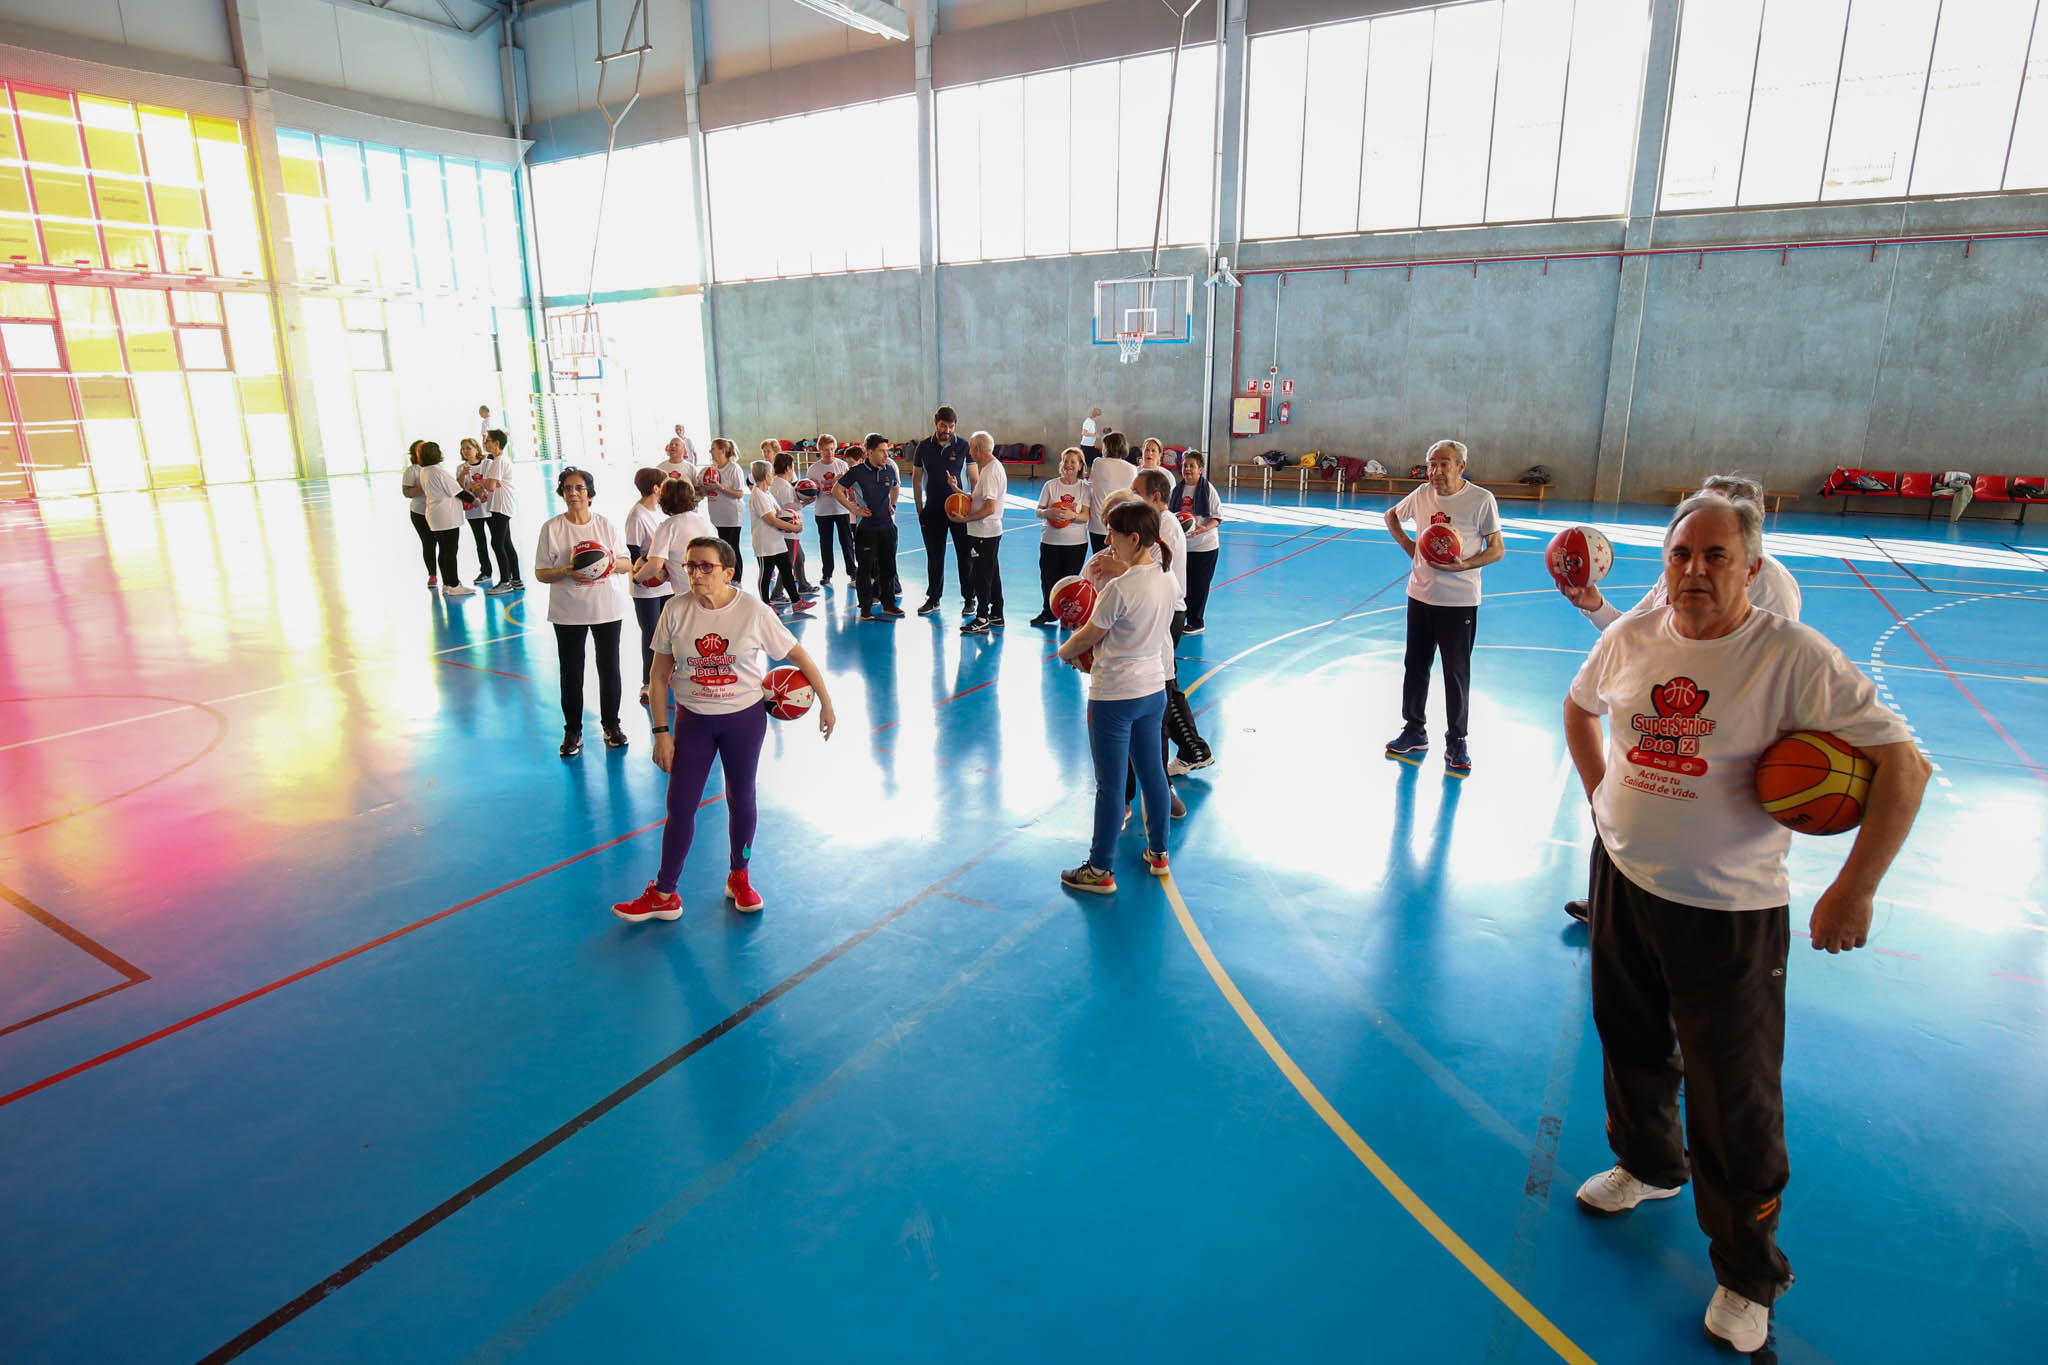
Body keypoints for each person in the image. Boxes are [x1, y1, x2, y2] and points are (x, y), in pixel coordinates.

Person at [1563, 491, 1928, 1355]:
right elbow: (1580, 707)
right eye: (1682, 553)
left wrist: (1855, 887)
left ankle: (1747, 1272)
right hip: (1623, 879)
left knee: (1736, 1097)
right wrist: (1602, 799)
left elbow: (1903, 764)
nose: (1695, 570)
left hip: (1728, 912)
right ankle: (1649, 1167)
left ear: (1752, 567)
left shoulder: (1791, 656)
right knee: (1630, 1040)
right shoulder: (1634, 635)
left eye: (1716, 556)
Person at [1557, 474, 1803, 923]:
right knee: (1627, 813)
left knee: (1695, 851)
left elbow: (1769, 679)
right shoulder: (1678, 574)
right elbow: (1628, 633)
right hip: (1656, 727)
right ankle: (1613, 905)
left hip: (1711, 739)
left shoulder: (1775, 588)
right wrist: (1593, 603)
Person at [610, 535, 837, 922]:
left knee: (742, 798)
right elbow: (659, 675)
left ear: (728, 572)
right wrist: (660, 733)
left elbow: (798, 654)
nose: (695, 573)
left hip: (743, 720)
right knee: (680, 806)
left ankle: (739, 876)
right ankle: (665, 893)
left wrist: (826, 701)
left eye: (705, 566)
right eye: (690, 565)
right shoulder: (675, 610)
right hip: (693, 721)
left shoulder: (752, 610)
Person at [1056, 498, 1178, 894]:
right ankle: (1159, 852)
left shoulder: (1119, 589)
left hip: (1113, 697)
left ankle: (1099, 870)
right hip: (1152, 690)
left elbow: (1088, 636)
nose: (1107, 539)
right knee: (1153, 774)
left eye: (1113, 533)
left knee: (1110, 786)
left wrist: (1064, 652)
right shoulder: (1165, 578)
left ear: (1134, 537)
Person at [1382, 439, 1504, 775]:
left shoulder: (1481, 500)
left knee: (1456, 673)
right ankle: (1414, 729)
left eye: (1444, 464)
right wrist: (1410, 546)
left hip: (1459, 601)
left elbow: (1497, 549)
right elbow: (1391, 516)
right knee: (1416, 665)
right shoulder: (1422, 494)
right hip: (1420, 595)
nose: (1435, 471)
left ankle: (1457, 740)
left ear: (1461, 466)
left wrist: (1465, 565)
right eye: (1431, 464)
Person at [534, 466, 632, 756]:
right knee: (571, 673)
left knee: (610, 669)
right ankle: (573, 731)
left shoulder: (604, 525)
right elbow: (541, 573)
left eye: (579, 488)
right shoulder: (552, 528)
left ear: (590, 493)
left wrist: (605, 566)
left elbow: (627, 563)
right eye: (568, 488)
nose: (574, 493)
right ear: (562, 493)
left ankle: (611, 725)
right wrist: (565, 570)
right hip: (568, 611)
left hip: (606, 608)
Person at [1135, 468, 1210, 778]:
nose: (1131, 496)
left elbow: (1146, 570)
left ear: (1155, 497)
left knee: (1163, 686)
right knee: (1167, 684)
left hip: (1166, 612)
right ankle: (1194, 749)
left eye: (1136, 492)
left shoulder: (1162, 525)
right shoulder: (1159, 522)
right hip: (1165, 610)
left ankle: (1182, 755)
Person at [911, 405, 973, 617]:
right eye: (943, 426)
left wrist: (972, 507)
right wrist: (920, 508)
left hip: (960, 511)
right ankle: (934, 598)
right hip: (934, 510)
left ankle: (969, 599)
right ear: (936, 423)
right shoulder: (923, 447)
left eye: (951, 426)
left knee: (965, 556)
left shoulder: (964, 446)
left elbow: (974, 478)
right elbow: (917, 479)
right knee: (934, 556)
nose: (947, 430)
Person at [838, 433, 905, 622]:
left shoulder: (889, 469)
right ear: (869, 452)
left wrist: (893, 504)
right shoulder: (858, 471)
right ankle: (865, 607)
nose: (886, 455)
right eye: (882, 451)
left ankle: (888, 604)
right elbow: (837, 490)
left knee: (889, 567)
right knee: (865, 570)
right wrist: (854, 509)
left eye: (887, 451)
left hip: (887, 527)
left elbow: (895, 487)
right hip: (867, 529)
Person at [625, 467, 673, 704]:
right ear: (656, 489)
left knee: (670, 632)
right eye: (664, 485)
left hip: (667, 584)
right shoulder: (637, 515)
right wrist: (651, 567)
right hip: (646, 586)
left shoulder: (661, 513)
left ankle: (670, 673)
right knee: (652, 635)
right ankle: (648, 682)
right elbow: (632, 553)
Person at [951, 431, 1007, 634]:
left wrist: (965, 519)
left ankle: (982, 617)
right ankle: (997, 614)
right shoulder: (990, 468)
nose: (969, 451)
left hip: (984, 533)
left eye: (972, 447)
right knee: (991, 572)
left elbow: (989, 508)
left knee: (981, 576)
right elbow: (979, 500)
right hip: (986, 532)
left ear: (978, 450)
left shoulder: (990, 471)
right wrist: (957, 490)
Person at [1030, 446, 1091, 627]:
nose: (1069, 465)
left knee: (1069, 581)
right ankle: (1048, 612)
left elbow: (1086, 515)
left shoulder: (1084, 488)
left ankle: (1067, 617)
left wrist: (1072, 516)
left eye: (1073, 462)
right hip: (1050, 541)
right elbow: (1038, 511)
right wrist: (1048, 512)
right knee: (1048, 578)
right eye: (1066, 461)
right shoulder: (1051, 485)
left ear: (1080, 466)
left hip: (1076, 543)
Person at [749, 458, 810, 613]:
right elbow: (770, 519)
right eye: (770, 473)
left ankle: (796, 602)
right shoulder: (758, 495)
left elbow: (778, 514)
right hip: (765, 543)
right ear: (765, 476)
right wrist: (792, 527)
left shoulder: (767, 493)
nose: (772, 476)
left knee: (786, 572)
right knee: (766, 574)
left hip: (777, 540)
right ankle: (765, 605)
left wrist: (791, 518)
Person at [1170, 451, 1221, 634]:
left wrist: (1203, 528)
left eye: (1192, 466)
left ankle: (1196, 622)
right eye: (1185, 465)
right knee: (1182, 584)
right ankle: (1180, 618)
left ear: (1200, 469)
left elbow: (1217, 517)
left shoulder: (1208, 490)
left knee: (1199, 585)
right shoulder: (1176, 490)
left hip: (1205, 546)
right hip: (1183, 547)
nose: (1187, 469)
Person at [416, 442, 474, 597]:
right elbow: (457, 490)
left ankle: (447, 583)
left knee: (443, 550)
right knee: (451, 551)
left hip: (435, 516)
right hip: (446, 517)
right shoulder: (438, 472)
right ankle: (454, 584)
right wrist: (473, 499)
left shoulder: (424, 470)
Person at [480, 428, 524, 595]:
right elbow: (492, 484)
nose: (485, 443)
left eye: (488, 440)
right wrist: (490, 482)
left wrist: (485, 482)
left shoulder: (498, 461)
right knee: (506, 543)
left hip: (501, 505)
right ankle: (517, 580)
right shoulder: (499, 460)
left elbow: (490, 486)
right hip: (501, 505)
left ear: (496, 443)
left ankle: (505, 581)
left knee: (497, 543)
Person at [809, 433, 857, 584]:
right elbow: (810, 492)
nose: (829, 452)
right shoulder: (813, 469)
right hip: (823, 511)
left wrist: (842, 485)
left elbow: (850, 489)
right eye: (825, 449)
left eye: (831, 449)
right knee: (826, 543)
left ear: (835, 448)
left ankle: (852, 572)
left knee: (847, 542)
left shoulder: (842, 465)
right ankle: (827, 573)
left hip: (842, 510)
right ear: (820, 450)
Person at [770, 448, 816, 595]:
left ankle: (803, 585)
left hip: (784, 529)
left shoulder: (775, 483)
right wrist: (805, 503)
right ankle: (777, 593)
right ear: (788, 468)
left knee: (799, 557)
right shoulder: (783, 486)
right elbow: (788, 506)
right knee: (788, 563)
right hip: (790, 530)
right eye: (792, 466)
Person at [702, 438, 747, 580]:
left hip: (731, 516)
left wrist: (719, 487)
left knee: (732, 548)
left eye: (713, 448)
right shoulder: (711, 469)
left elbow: (739, 493)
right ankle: (725, 578)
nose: (710, 451)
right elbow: (706, 492)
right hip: (716, 515)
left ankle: (736, 579)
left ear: (723, 450)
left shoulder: (734, 468)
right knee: (720, 549)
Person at [1087, 430, 1136, 555]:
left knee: (1098, 557)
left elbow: (1091, 484)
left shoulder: (1098, 463)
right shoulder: (1132, 469)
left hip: (1098, 522)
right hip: (1121, 523)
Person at [457, 438, 495, 587]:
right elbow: (459, 487)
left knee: (498, 541)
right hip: (474, 511)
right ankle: (486, 571)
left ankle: (507, 571)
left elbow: (492, 483)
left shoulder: (487, 464)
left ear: (476, 449)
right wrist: (462, 475)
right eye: (463, 448)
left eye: (468, 448)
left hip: (490, 508)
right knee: (480, 541)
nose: (465, 451)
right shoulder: (461, 467)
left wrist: (480, 488)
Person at [401, 439, 436, 589]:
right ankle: (432, 574)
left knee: (444, 544)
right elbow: (406, 492)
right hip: (419, 512)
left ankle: (450, 576)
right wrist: (423, 487)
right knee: (428, 543)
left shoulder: (435, 468)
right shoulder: (412, 471)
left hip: (437, 512)